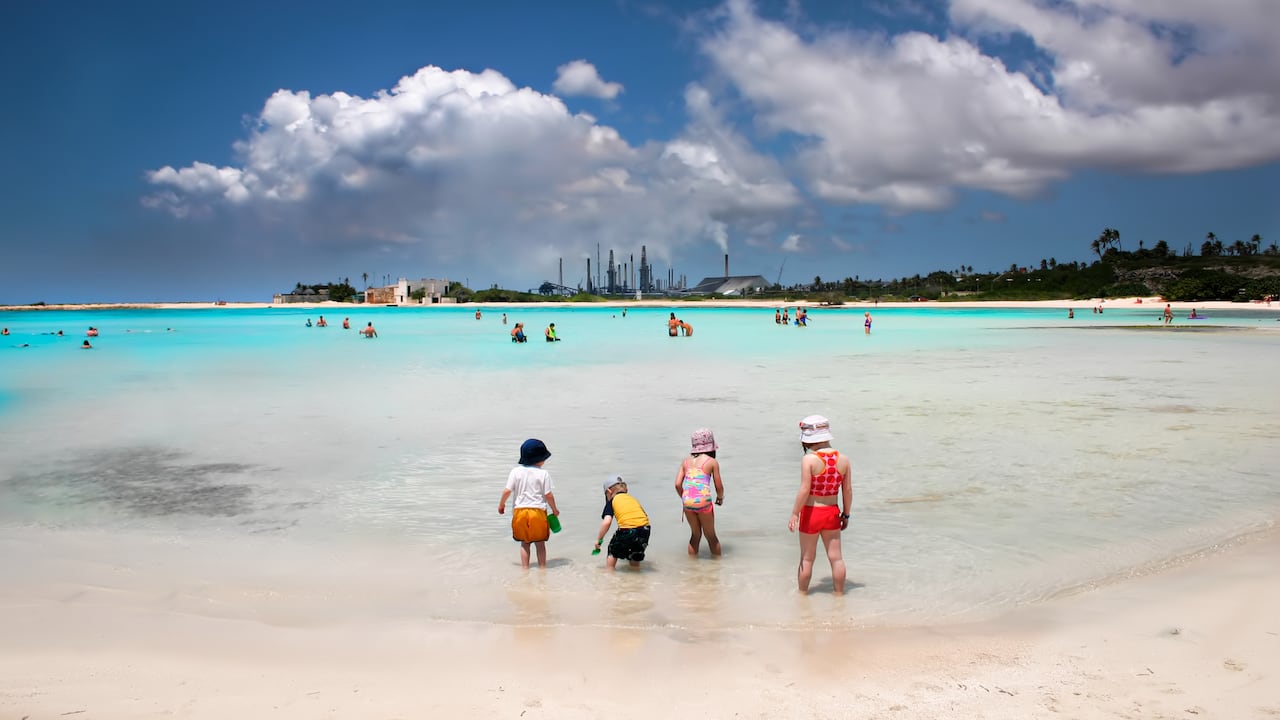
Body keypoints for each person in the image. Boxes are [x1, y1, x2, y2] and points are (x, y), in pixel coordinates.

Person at [788, 414, 852, 595]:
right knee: (836, 559)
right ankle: (839, 595)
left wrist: (795, 513)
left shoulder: (809, 460)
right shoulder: (844, 460)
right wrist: (846, 514)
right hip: (832, 512)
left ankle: (802, 596)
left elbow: (804, 489)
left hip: (811, 513)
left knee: (807, 559)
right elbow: (847, 491)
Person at [498, 439, 560, 570]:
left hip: (520, 512)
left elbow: (507, 491)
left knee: (525, 543)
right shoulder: (544, 474)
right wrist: (555, 509)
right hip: (537, 512)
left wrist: (501, 505)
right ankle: (542, 569)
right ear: (541, 458)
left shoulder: (515, 472)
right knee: (540, 543)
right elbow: (548, 495)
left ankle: (525, 569)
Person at [675, 428, 724, 556]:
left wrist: (685, 497)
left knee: (695, 535)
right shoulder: (712, 462)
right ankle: (717, 569)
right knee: (711, 537)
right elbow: (718, 486)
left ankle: (692, 567)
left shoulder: (685, 462)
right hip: (703, 502)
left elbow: (677, 484)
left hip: (687, 502)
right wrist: (720, 497)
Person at [595, 474, 651, 570]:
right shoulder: (633, 499)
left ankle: (610, 572)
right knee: (635, 554)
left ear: (609, 491)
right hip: (645, 529)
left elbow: (607, 522)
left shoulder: (612, 501)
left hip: (627, 529)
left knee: (613, 550)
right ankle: (636, 573)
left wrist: (599, 540)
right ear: (626, 490)